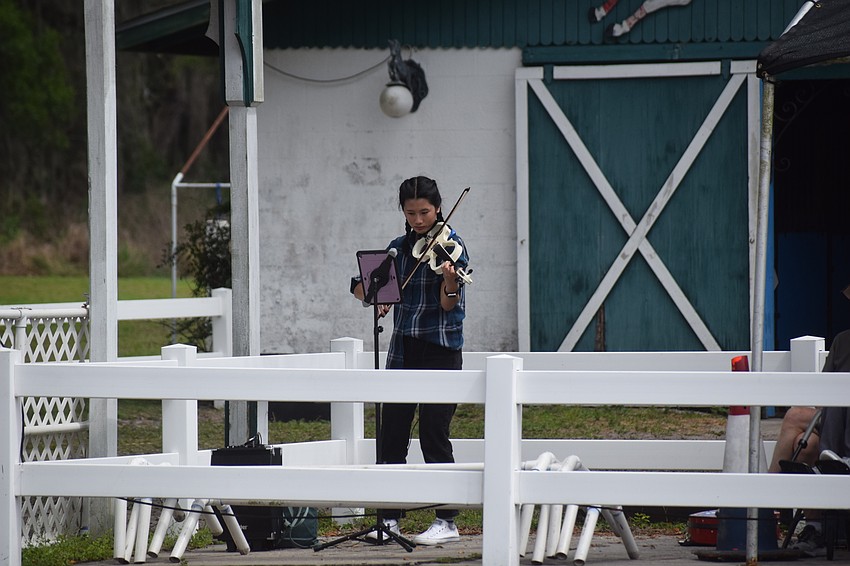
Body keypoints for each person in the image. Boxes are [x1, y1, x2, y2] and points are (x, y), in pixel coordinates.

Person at [350, 175, 469, 546]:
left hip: (441, 349)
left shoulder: (453, 247)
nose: (418, 220)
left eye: (425, 212)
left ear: (437, 209)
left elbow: (450, 303)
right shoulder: (397, 250)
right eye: (411, 212)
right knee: (392, 435)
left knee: (434, 434)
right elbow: (359, 286)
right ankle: (389, 521)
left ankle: (446, 520)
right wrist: (375, 296)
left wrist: (449, 283)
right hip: (403, 348)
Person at [769, 328, 850, 557]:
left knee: (804, 442)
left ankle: (765, 507)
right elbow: (823, 392)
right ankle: (814, 528)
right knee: (804, 439)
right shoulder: (843, 341)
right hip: (836, 423)